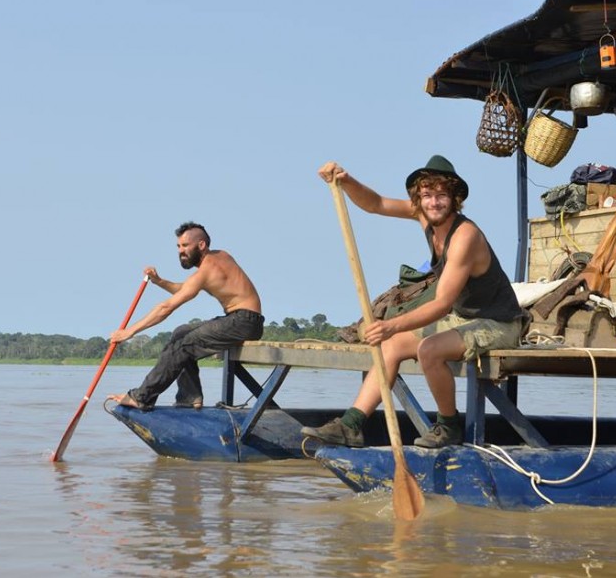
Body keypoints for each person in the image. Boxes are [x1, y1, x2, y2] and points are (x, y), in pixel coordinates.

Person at [301, 155, 526, 448]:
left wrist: (390, 325)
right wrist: (345, 181)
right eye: (427, 196)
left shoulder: (465, 237)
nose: (434, 203)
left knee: (429, 349)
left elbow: (442, 303)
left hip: (499, 323)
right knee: (391, 346)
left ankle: (448, 428)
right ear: (419, 199)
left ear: (455, 199)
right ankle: (351, 426)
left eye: (442, 195)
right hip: (464, 317)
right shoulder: (426, 217)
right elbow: (376, 204)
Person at [107, 222, 264, 410]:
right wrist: (159, 281)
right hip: (244, 321)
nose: (181, 251)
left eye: (185, 246)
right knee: (180, 333)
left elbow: (166, 308)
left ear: (201, 245)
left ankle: (142, 397)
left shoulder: (206, 271)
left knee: (182, 345)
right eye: (178, 246)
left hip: (242, 322)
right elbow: (185, 288)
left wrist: (129, 332)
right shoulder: (221, 256)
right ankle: (190, 397)